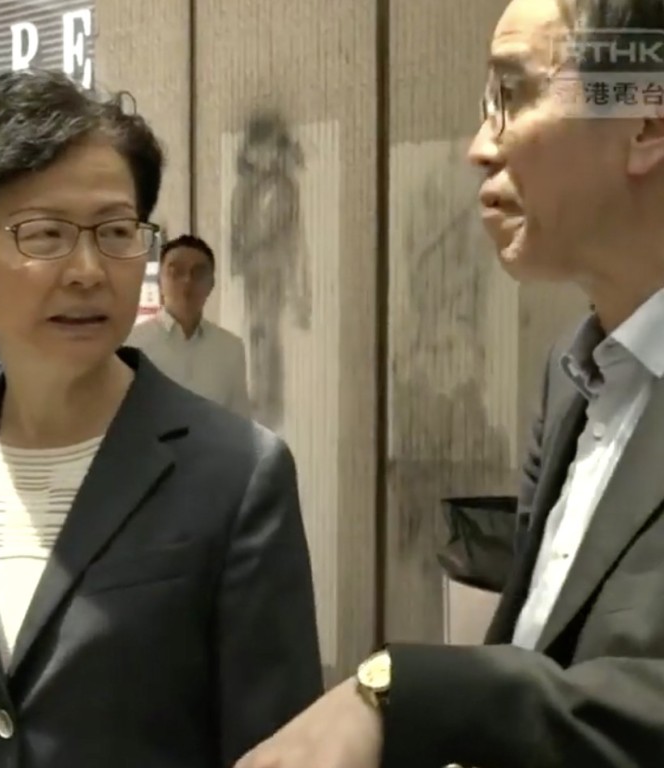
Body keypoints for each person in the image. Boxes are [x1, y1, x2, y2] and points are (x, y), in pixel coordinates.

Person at [236, 1, 664, 767]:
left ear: (645, 122)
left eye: (512, 95)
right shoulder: (573, 379)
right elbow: (544, 662)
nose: (479, 148)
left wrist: (405, 690)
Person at [0, 69, 323, 768]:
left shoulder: (238, 474)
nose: (90, 269)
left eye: (117, 231)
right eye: (45, 234)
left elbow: (276, 749)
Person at [128, 235, 252, 418]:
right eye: (176, 271)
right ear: (159, 282)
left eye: (198, 272)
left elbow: (240, 421)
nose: (187, 280)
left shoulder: (230, 348)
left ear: (211, 285)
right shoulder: (131, 345)